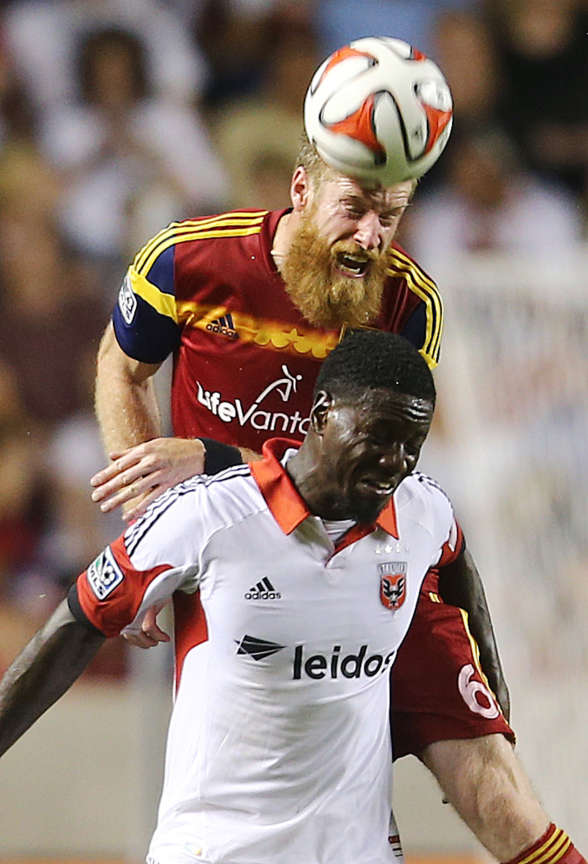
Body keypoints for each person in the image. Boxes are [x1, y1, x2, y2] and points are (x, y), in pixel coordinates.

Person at [89, 134, 578, 863]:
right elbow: (120, 367)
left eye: (392, 216)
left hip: (370, 551)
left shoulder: (409, 302)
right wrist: (148, 533)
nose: (372, 235)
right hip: (235, 566)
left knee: (497, 795)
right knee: (265, 796)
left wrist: (214, 455)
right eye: (354, 209)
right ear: (301, 191)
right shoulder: (187, 261)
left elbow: (373, 465)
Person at [2, 332, 583, 864]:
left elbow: (456, 560)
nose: (395, 463)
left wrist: (491, 680)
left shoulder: (421, 509)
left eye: (412, 445)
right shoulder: (209, 516)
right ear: (322, 413)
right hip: (215, 850)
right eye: (378, 437)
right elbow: (74, 626)